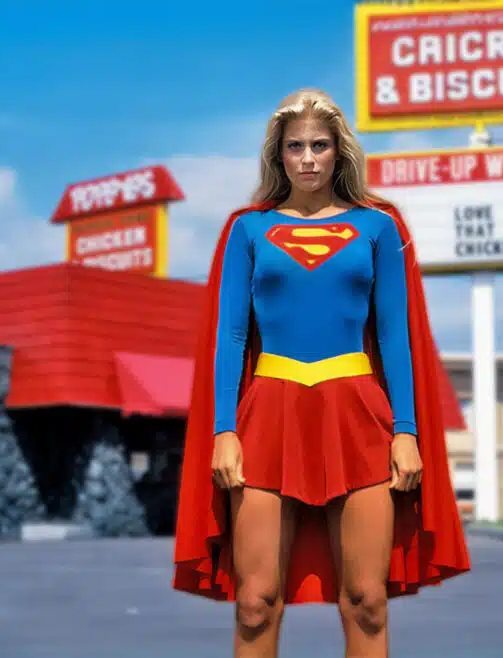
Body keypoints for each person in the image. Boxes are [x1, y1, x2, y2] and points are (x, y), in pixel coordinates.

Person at [172, 89, 471, 658]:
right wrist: (223, 429)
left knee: (366, 600)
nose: (307, 158)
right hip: (266, 415)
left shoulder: (378, 228)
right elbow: (230, 336)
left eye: (319, 145)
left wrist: (405, 430)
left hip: (359, 415)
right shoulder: (248, 230)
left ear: (338, 152)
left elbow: (394, 336)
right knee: (256, 603)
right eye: (295, 147)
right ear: (278, 156)